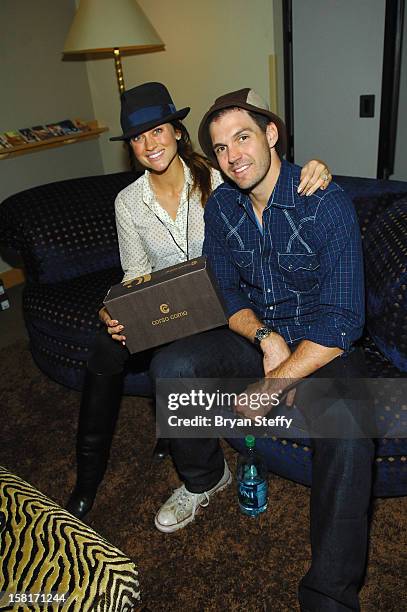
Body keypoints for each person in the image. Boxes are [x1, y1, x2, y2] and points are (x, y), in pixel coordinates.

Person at [150, 89, 374, 611]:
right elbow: (224, 289)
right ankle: (206, 478)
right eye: (221, 148)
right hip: (261, 336)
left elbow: (344, 321)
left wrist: (276, 383)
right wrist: (265, 340)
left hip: (323, 346)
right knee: (171, 366)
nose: (234, 156)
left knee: (349, 429)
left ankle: (329, 596)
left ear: (272, 135)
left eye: (243, 138)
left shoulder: (325, 203)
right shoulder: (224, 205)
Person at [66, 82, 332, 520]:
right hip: (171, 311)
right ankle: (87, 475)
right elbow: (135, 275)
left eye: (157, 131)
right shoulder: (128, 203)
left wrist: (317, 168)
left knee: (171, 365)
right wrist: (115, 307)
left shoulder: (218, 175)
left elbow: (269, 175)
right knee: (105, 344)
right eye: (137, 137)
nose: (149, 144)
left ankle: (196, 462)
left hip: (227, 311)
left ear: (176, 131)